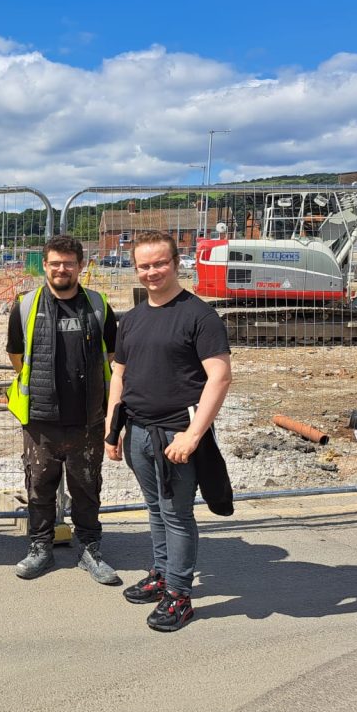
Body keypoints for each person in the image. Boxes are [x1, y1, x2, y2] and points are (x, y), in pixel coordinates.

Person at [105, 231, 232, 632]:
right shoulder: (134, 319)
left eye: (159, 263)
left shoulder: (200, 316)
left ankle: (179, 594)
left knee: (176, 515)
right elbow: (119, 376)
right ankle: (162, 572)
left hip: (176, 437)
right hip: (139, 433)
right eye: (144, 265)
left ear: (177, 263)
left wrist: (193, 435)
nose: (152, 272)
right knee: (156, 510)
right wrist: (112, 431)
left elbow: (220, 377)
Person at [6, 234, 119, 583]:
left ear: (80, 266)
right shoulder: (26, 306)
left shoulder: (99, 307)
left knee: (87, 487)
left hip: (87, 420)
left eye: (69, 263)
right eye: (55, 262)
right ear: (45, 265)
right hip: (40, 420)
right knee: (39, 486)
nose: (61, 269)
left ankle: (89, 548)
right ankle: (40, 547)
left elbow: (113, 359)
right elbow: (15, 356)